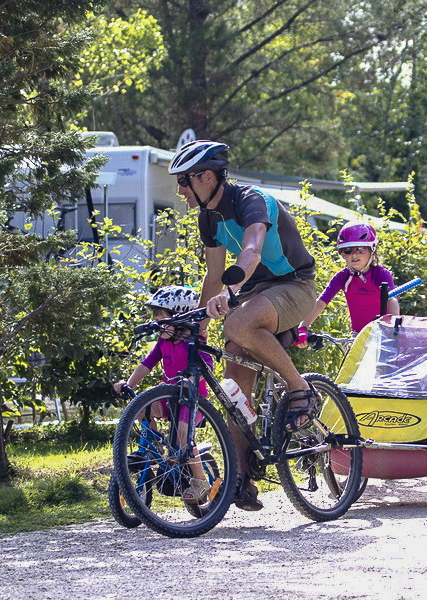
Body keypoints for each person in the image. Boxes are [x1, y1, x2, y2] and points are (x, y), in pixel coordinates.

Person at [168, 139, 318, 512]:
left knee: (237, 322)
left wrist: (231, 293)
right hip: (253, 295)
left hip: (294, 285)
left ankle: (300, 388)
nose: (180, 190)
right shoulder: (208, 219)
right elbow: (214, 275)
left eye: (185, 181)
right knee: (234, 391)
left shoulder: (252, 200)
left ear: (206, 177)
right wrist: (200, 320)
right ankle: (242, 475)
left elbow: (250, 250)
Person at [112, 285, 211, 505]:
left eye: (162, 319)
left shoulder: (195, 343)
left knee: (183, 436)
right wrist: (128, 384)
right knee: (142, 406)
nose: (157, 324)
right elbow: (146, 364)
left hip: (192, 401)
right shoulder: (163, 342)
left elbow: (208, 368)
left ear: (180, 319)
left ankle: (201, 482)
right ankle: (153, 446)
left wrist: (191, 380)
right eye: (155, 319)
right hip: (170, 398)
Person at [296, 221, 399, 343]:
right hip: (357, 338)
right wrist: (303, 327)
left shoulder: (381, 274)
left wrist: (394, 329)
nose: (354, 254)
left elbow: (392, 300)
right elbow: (321, 302)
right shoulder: (342, 277)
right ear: (342, 254)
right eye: (348, 250)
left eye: (360, 249)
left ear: (372, 250)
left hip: (384, 336)